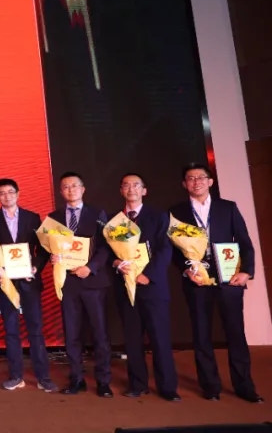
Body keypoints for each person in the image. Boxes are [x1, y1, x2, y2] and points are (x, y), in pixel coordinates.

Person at [169, 163, 262, 403]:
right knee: (201, 335)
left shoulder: (227, 208)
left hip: (229, 278)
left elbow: (245, 241)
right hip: (197, 280)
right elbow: (174, 250)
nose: (196, 182)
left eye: (201, 177)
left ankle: (244, 386)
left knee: (235, 334)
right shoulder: (176, 212)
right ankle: (210, 386)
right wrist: (186, 270)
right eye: (191, 178)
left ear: (210, 182)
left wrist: (247, 272)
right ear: (184, 184)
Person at [0, 179, 56, 392]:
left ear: (18, 193)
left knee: (36, 330)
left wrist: (35, 267)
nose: (7, 196)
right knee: (11, 330)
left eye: (10, 192)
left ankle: (43, 377)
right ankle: (16, 376)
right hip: (6, 282)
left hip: (29, 281)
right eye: (2, 193)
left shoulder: (32, 217)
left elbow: (43, 249)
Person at [112, 173, 180, 402]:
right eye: (126, 185)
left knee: (160, 338)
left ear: (144, 190)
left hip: (153, 287)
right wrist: (116, 263)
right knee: (132, 340)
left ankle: (167, 387)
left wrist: (147, 275)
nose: (131, 189)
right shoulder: (115, 221)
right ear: (121, 191)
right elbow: (108, 252)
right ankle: (137, 384)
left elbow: (165, 250)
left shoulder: (159, 217)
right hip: (126, 287)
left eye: (136, 185)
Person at [48, 172, 113, 398]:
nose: (70, 190)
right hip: (68, 283)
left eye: (74, 186)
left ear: (83, 189)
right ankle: (76, 379)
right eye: (66, 187)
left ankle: (103, 381)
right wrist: (53, 256)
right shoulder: (54, 218)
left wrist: (91, 267)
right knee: (72, 333)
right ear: (61, 191)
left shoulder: (98, 213)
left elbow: (106, 246)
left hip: (93, 281)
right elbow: (50, 246)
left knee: (100, 333)